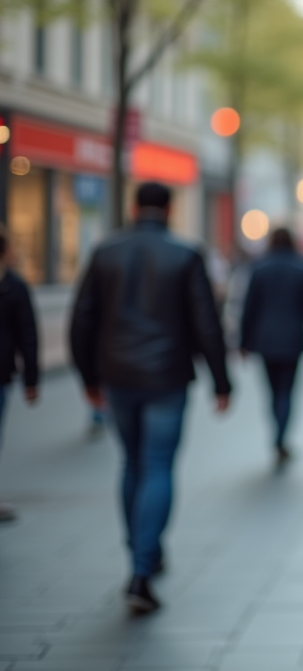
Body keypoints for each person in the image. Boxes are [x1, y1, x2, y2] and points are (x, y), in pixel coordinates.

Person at [70, 182, 231, 615]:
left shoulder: (106, 252)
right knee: (158, 463)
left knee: (133, 462)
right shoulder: (186, 254)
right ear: (171, 208)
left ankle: (138, 552)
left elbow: (81, 318)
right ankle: (144, 565)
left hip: (118, 375)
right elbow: (206, 323)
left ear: (133, 205)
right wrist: (221, 380)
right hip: (168, 376)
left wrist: (88, 377)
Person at [239, 227, 303, 464]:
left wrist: (243, 342)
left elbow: (249, 308)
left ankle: (277, 432)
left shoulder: (259, 269)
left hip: (265, 340)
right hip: (292, 340)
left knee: (272, 390)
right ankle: (281, 436)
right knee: (287, 391)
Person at [0, 227, 38, 522]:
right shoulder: (14, 285)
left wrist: (31, 378)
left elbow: (27, 334)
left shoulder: (13, 286)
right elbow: (28, 334)